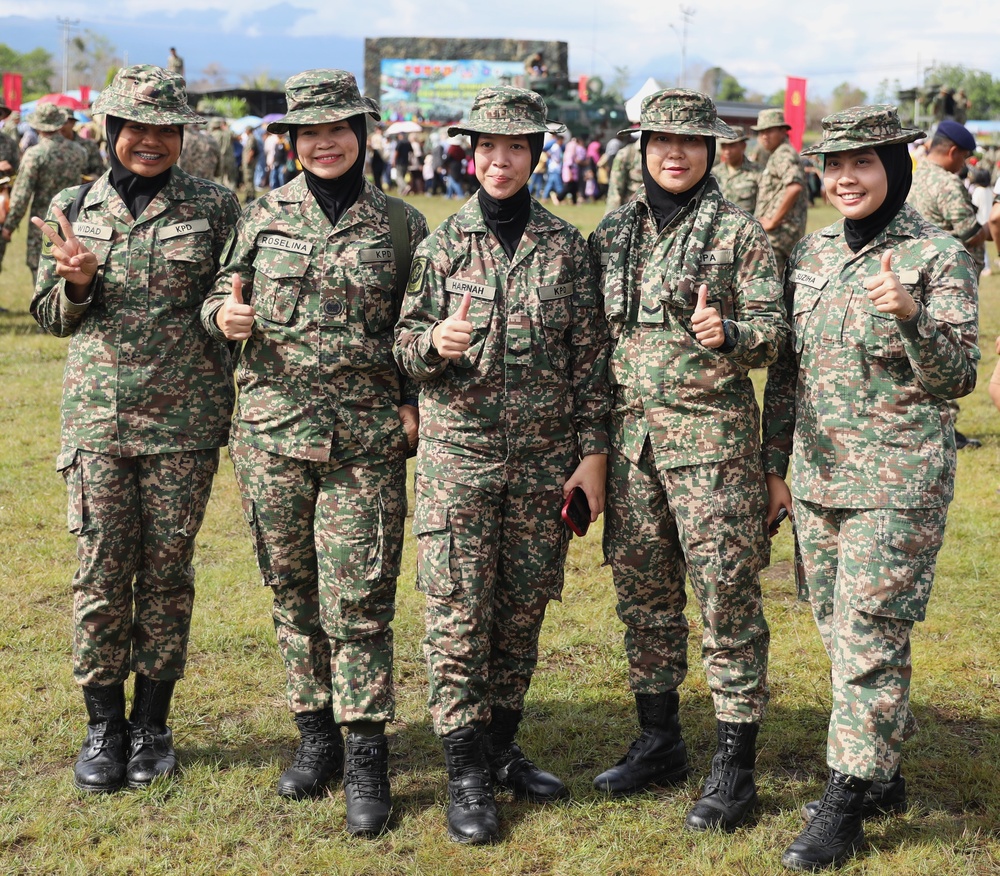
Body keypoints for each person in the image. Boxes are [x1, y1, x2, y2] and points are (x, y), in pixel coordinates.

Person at [203, 69, 427, 837]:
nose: (324, 142)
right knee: (292, 591)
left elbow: (417, 330)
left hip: (365, 441)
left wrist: (410, 401)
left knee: (359, 598)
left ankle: (366, 755)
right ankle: (316, 737)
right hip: (271, 436)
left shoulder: (401, 226)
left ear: (362, 136)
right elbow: (216, 297)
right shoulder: (261, 218)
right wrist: (223, 317)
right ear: (292, 142)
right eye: (309, 132)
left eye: (339, 129)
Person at [762, 106, 979, 871]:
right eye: (833, 165)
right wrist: (772, 466)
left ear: (896, 166)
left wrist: (915, 316)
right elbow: (788, 371)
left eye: (863, 163)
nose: (845, 178)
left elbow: (958, 379)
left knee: (869, 637)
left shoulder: (936, 255)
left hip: (897, 482)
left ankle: (845, 802)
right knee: (835, 626)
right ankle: (880, 768)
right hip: (819, 479)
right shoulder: (815, 254)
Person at [394, 85, 610, 845]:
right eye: (488, 147)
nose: (500, 160)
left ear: (536, 157)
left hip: (544, 465)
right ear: (470, 154)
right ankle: (464, 774)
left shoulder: (565, 247)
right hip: (461, 461)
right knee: (456, 617)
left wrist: (592, 458)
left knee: (520, 616)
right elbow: (404, 347)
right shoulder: (441, 246)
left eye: (515, 147)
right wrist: (433, 347)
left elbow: (591, 363)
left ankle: (500, 748)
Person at [29, 65, 240, 794]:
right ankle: (102, 725)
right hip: (99, 424)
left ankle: (151, 722)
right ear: (110, 132)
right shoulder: (71, 203)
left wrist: (224, 313)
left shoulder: (216, 206)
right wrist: (79, 281)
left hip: (184, 426)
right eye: (135, 129)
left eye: (163, 130)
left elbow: (227, 292)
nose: (149, 142)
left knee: (166, 576)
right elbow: (51, 316)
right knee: (98, 574)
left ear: (180, 135)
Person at [589, 88, 786, 833]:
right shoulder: (610, 236)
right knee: (644, 601)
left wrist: (731, 332)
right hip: (633, 452)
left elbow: (776, 334)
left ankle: (735, 768)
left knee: (728, 603)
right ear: (642, 149)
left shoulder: (740, 237)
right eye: (661, 141)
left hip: (713, 455)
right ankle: (660, 741)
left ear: (710, 151)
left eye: (691, 143)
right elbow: (592, 349)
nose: (675, 153)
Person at [907, 119, 985, 449]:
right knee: (948, 347)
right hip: (946, 278)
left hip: (911, 276)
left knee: (919, 348)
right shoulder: (948, 184)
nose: (964, 164)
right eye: (964, 157)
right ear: (953, 152)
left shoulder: (911, 174)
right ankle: (946, 428)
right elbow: (969, 231)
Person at [2, 102, 86, 285]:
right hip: (74, 220)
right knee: (73, 270)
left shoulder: (35, 154)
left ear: (38, 125)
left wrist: (9, 225)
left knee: (42, 272)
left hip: (44, 223)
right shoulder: (79, 152)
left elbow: (21, 195)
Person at [752, 108, 809, 276]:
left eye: (769, 130)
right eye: (761, 132)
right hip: (777, 236)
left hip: (779, 236)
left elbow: (794, 187)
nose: (764, 136)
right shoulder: (777, 154)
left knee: (770, 286)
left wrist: (773, 221)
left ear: (783, 131)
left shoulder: (783, 153)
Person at [712, 125, 761, 213]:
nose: (727, 151)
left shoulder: (757, 171)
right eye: (724, 146)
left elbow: (762, 204)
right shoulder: (715, 173)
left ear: (743, 146)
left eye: (732, 146)